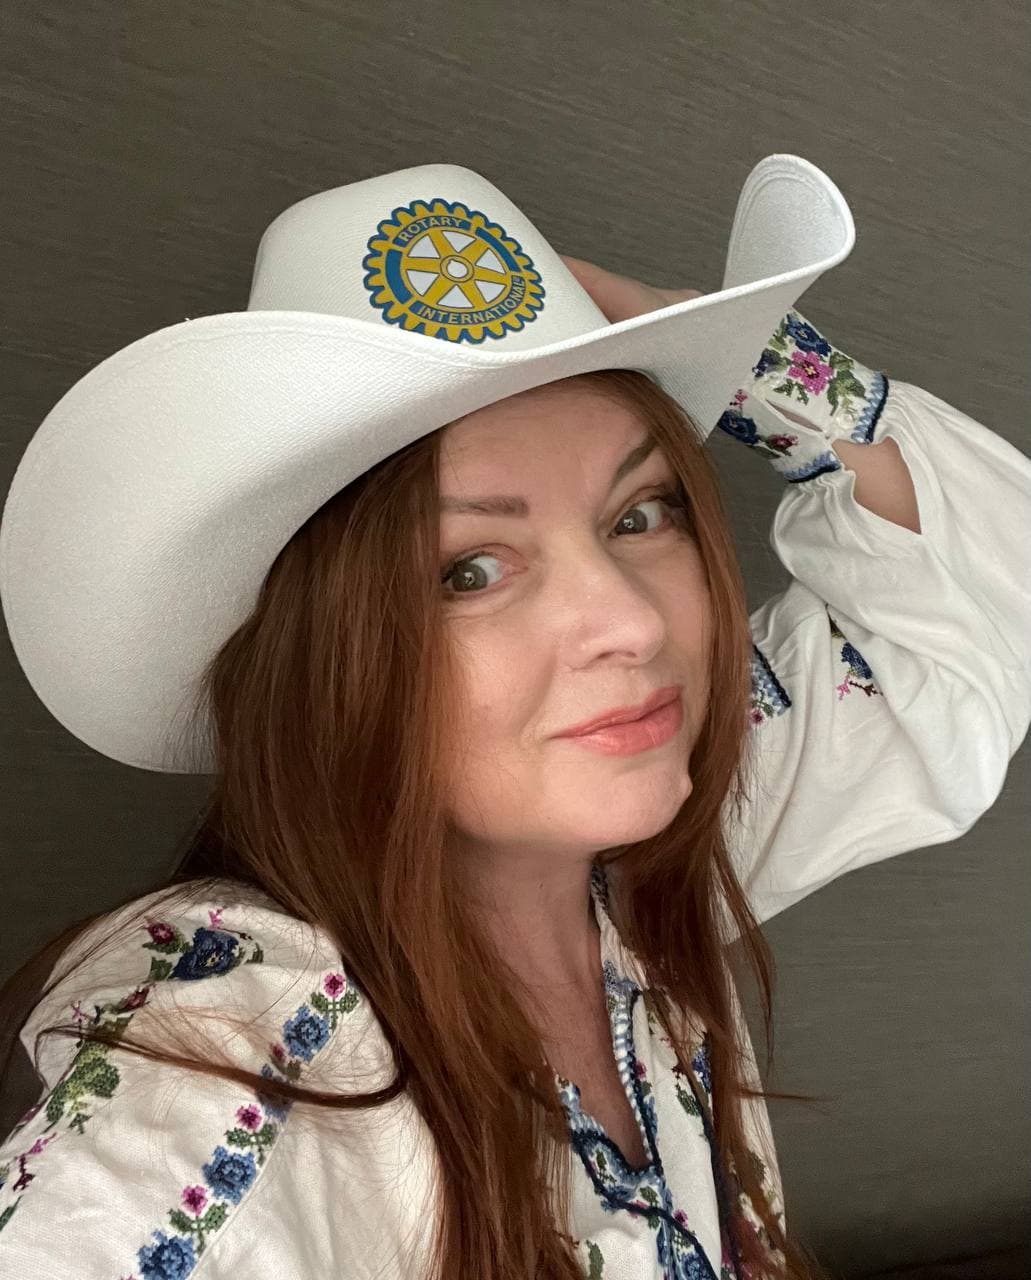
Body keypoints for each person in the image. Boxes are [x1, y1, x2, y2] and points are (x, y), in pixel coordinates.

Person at [0, 156, 1027, 1280]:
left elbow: (972, 619)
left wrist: (716, 344)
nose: (627, 622)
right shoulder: (244, 1049)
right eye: (470, 569)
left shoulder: (643, 874)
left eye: (641, 512)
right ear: (322, 662)